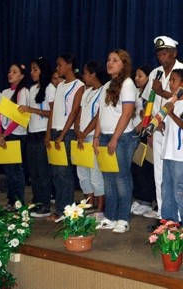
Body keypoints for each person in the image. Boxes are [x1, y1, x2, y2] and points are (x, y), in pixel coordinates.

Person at [141, 36, 183, 223]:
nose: (161, 57)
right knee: (161, 176)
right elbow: (148, 102)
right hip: (159, 129)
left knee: (181, 181)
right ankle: (164, 217)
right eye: (158, 53)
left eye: (164, 53)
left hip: (179, 131)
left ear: (174, 53)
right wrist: (148, 127)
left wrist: (162, 92)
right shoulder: (155, 74)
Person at [94, 49, 136, 233]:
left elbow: (127, 114)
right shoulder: (106, 86)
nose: (109, 63)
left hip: (122, 137)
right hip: (104, 137)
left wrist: (115, 138)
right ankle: (109, 216)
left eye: (115, 60)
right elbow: (100, 113)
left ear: (123, 64)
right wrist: (96, 136)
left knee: (121, 178)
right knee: (108, 179)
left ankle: (122, 218)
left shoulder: (127, 84)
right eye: (108, 59)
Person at [45, 54, 85, 220]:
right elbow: (53, 111)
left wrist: (62, 135)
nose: (57, 68)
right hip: (55, 131)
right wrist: (48, 133)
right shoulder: (60, 85)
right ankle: (59, 208)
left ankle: (65, 210)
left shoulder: (79, 85)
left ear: (69, 65)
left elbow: (74, 112)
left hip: (66, 134)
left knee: (64, 172)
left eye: (60, 64)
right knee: (55, 172)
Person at [18, 57, 55, 217]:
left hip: (43, 134)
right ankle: (37, 201)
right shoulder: (32, 89)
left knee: (43, 171)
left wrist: (48, 135)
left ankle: (45, 205)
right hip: (31, 134)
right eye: (31, 69)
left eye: (35, 69)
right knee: (34, 172)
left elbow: (53, 113)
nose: (32, 72)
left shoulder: (50, 89)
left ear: (42, 71)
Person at [160, 68, 183, 229]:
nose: (170, 83)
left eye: (174, 80)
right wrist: (162, 124)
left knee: (181, 194)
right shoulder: (171, 102)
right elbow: (171, 128)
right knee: (166, 193)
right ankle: (169, 226)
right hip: (168, 153)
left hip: (182, 155)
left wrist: (172, 114)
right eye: (170, 80)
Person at [75, 61, 108, 218]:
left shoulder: (103, 91)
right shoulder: (86, 92)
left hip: (93, 137)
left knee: (95, 173)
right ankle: (89, 204)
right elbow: (80, 113)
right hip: (81, 137)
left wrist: (85, 132)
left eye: (86, 73)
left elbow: (99, 115)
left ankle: (100, 207)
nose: (84, 76)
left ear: (94, 74)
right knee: (83, 172)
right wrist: (77, 130)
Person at [0, 63, 29, 209]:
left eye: (15, 71)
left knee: (16, 170)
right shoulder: (4, 92)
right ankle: (11, 201)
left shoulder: (23, 92)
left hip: (16, 135)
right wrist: (0, 134)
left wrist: (5, 134)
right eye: (9, 71)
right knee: (8, 171)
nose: (10, 74)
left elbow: (18, 118)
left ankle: (18, 202)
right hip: (3, 135)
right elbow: (0, 116)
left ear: (22, 76)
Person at [130, 64, 156, 216]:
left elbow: (149, 114)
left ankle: (147, 200)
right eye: (136, 76)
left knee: (146, 168)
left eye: (140, 76)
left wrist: (141, 126)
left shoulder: (150, 95)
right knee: (136, 169)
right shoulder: (136, 92)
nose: (137, 79)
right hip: (134, 132)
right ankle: (139, 199)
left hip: (144, 133)